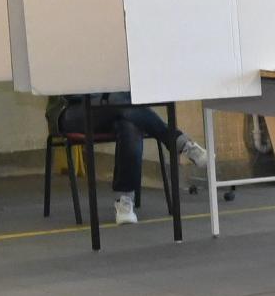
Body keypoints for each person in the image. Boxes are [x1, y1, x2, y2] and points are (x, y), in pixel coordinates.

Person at [47, 92, 193, 227]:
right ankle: (178, 140)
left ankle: (124, 199)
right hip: (71, 110)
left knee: (130, 123)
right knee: (119, 102)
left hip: (115, 107)